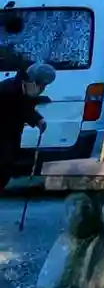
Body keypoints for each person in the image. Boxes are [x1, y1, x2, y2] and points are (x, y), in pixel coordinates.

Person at [0, 63, 55, 192]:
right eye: (41, 86)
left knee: (7, 166)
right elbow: (19, 107)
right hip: (3, 134)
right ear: (30, 81)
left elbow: (24, 108)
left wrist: (37, 120)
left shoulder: (22, 91)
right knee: (3, 166)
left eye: (44, 86)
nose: (42, 90)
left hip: (10, 134)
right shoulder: (6, 91)